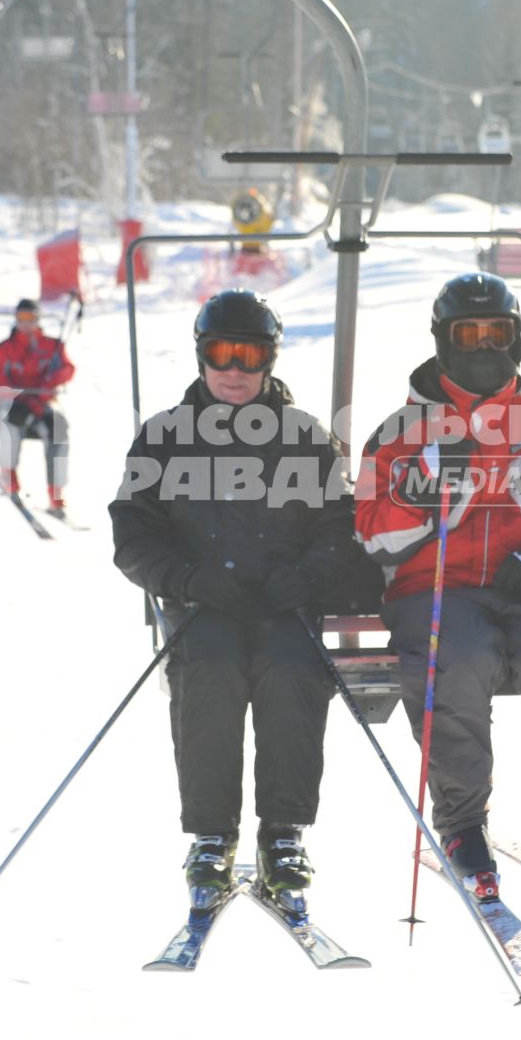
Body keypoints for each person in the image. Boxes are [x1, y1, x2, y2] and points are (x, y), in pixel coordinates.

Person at [354, 272, 521, 903]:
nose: (482, 346)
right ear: (442, 341)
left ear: (517, 341)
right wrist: (420, 496)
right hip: (435, 589)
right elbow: (371, 536)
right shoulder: (401, 433)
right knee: (459, 662)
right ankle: (463, 826)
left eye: (495, 333)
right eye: (466, 334)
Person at [109, 290, 357, 907]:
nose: (235, 371)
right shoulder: (164, 438)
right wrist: (187, 580)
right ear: (201, 356)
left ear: (270, 359)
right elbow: (133, 532)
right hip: (203, 606)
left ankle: (282, 832)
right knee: (210, 670)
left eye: (250, 356)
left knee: (291, 670)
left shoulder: (306, 438)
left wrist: (306, 577)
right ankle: (213, 834)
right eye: (222, 354)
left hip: (283, 605)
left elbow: (341, 529)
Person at [0, 299, 74, 513]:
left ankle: (56, 490)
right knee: (11, 426)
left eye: (30, 319)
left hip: (42, 402)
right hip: (16, 402)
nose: (25, 324)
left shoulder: (52, 347)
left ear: (37, 319)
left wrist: (49, 384)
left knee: (59, 430)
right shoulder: (6, 348)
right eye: (21, 319)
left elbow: (68, 369)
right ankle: (10, 477)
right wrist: (20, 397)